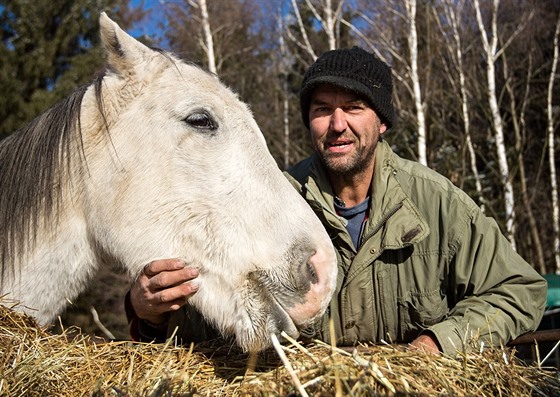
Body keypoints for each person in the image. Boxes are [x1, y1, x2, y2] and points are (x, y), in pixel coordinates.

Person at [125, 46, 547, 356]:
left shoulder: (435, 203)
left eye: (354, 107)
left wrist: (439, 342)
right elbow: (207, 324)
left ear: (382, 122)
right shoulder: (265, 201)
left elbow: (519, 290)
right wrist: (148, 312)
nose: (337, 125)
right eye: (323, 109)